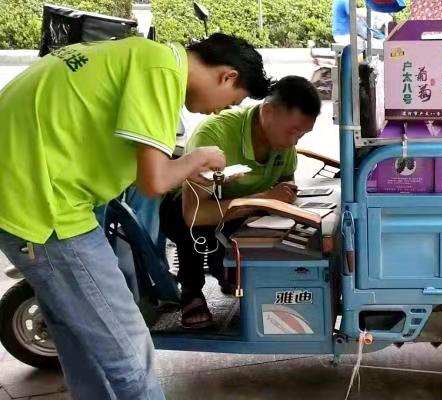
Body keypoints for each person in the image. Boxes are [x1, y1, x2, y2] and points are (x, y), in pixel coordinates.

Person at [0, 33, 270, 400]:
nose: (221, 111)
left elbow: (136, 157)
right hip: (46, 209)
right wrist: (199, 157)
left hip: (29, 193)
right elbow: (154, 182)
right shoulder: (162, 71)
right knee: (126, 347)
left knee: (80, 335)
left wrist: (184, 167)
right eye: (232, 101)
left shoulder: (141, 55)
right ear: (227, 76)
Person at [160, 76, 321, 329]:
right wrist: (264, 199)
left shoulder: (283, 143)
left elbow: (285, 185)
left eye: (302, 134)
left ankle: (226, 271)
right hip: (192, 211)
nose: (294, 142)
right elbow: (194, 214)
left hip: (240, 213)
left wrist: (281, 196)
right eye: (293, 131)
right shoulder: (214, 134)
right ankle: (191, 291)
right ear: (267, 112)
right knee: (188, 222)